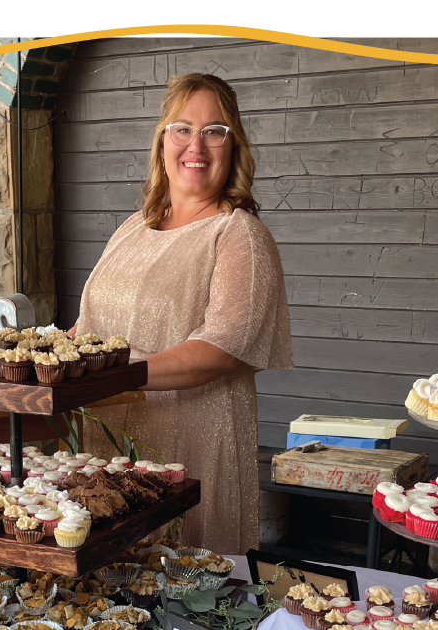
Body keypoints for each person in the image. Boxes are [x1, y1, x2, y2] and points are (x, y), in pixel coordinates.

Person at [69, 73, 293, 554]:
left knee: (180, 588)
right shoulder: (134, 227)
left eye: (215, 130)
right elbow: (88, 330)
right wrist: (46, 359)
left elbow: (220, 350)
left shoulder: (239, 235)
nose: (198, 145)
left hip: (191, 448)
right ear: (162, 141)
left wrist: (109, 376)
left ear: (234, 147)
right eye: (183, 128)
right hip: (109, 443)